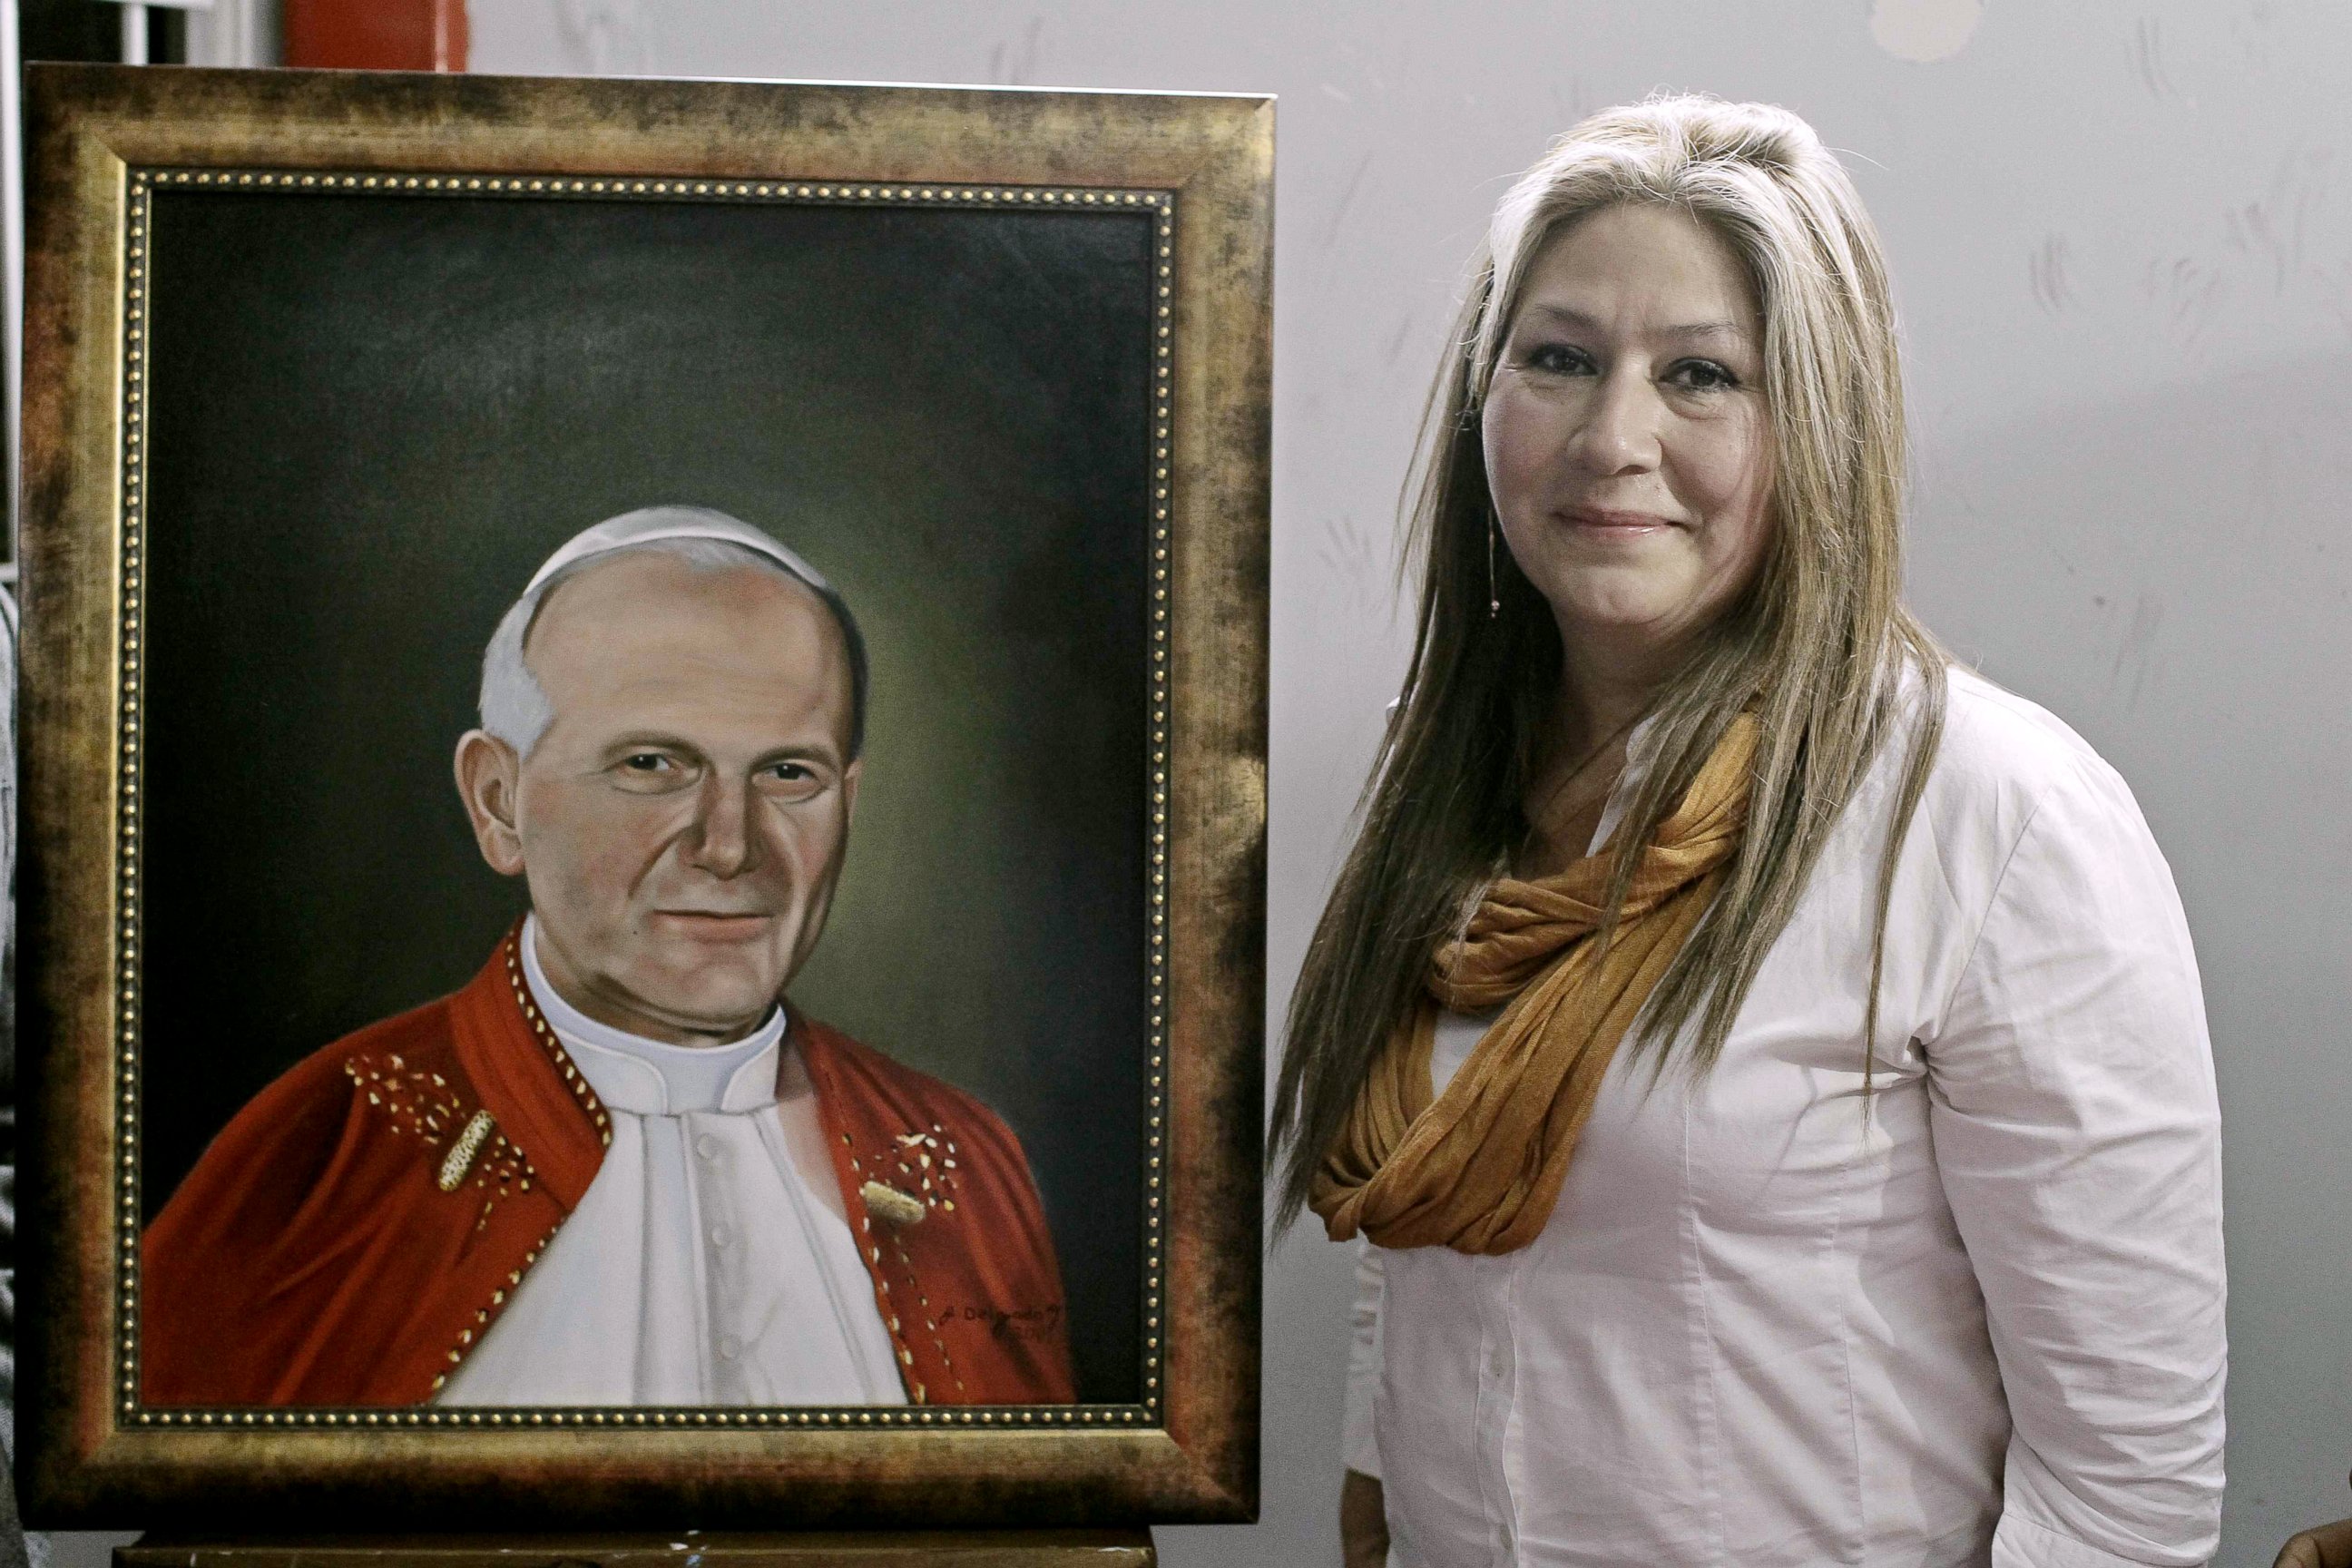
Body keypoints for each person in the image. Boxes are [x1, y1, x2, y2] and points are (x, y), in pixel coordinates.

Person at [1272, 98, 2226, 1566]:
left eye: (1701, 374)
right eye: (1559, 358)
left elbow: (2128, 1488)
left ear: (1817, 425)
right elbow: (1425, 1232)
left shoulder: (1991, 812)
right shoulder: (1454, 787)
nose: (1612, 436)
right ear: (1483, 393)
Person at [142, 505, 1075, 1408]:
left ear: (849, 802)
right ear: (499, 802)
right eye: (651, 765)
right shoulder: (318, 1157)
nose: (729, 845)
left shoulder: (960, 1160)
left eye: (790, 773)